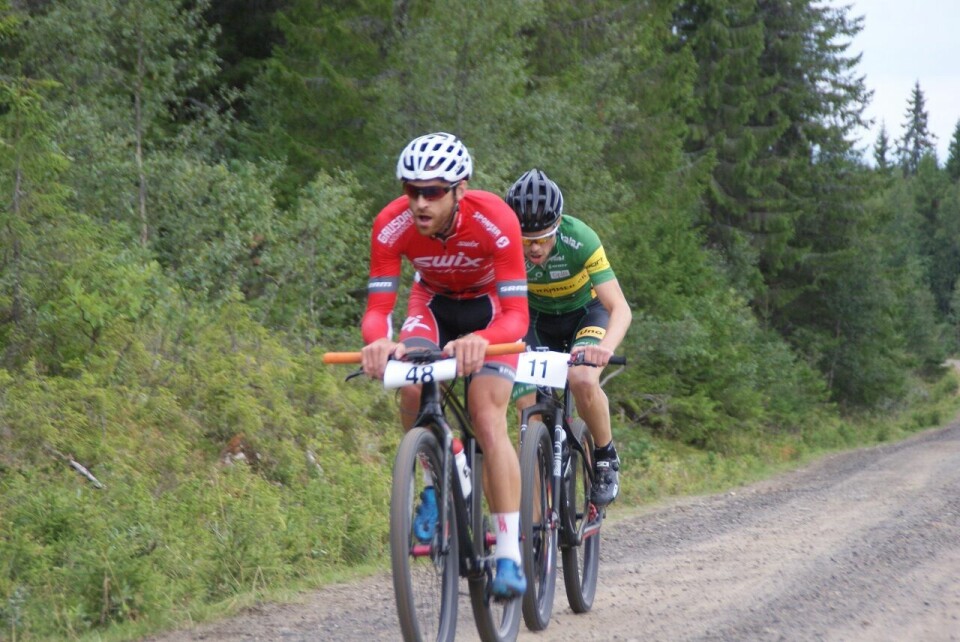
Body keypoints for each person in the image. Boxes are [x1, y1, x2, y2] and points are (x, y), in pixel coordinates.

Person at [360, 132, 529, 598]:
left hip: (491, 311)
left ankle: (510, 554)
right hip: (431, 304)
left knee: (486, 413)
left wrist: (483, 339)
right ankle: (440, 470)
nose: (419, 202)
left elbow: (518, 316)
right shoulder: (391, 224)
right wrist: (378, 343)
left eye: (432, 191)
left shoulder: (496, 218)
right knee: (411, 385)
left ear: (460, 189)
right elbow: (378, 310)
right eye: (410, 189)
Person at [505, 168, 632, 507]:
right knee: (526, 403)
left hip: (584, 316)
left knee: (582, 378)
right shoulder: (503, 243)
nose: (534, 248)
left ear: (558, 224)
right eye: (526, 239)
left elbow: (619, 307)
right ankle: (533, 525)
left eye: (543, 238)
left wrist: (604, 349)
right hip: (533, 320)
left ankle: (605, 457)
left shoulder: (581, 240)